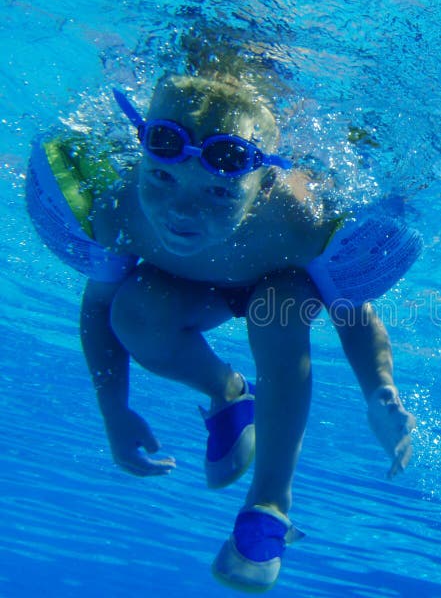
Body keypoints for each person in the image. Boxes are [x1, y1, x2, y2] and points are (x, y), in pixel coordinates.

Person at [28, 69, 418, 592]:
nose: (182, 212)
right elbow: (97, 311)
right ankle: (225, 392)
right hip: (185, 291)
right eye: (162, 177)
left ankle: (270, 504)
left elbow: (353, 313)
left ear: (266, 181)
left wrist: (380, 389)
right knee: (131, 312)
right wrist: (113, 410)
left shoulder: (300, 221)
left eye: (219, 192)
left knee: (277, 309)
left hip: (277, 284)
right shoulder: (117, 210)